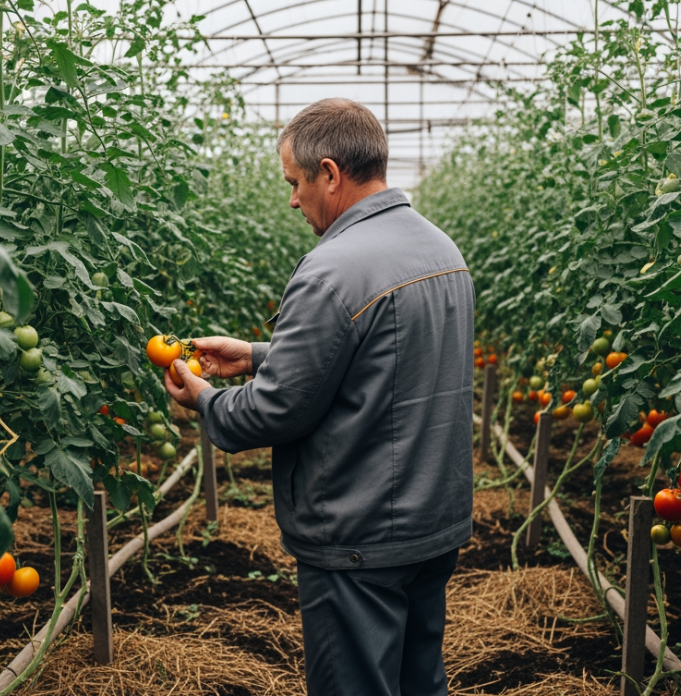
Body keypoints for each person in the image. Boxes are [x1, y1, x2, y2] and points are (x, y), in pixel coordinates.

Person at [163, 98, 475, 696]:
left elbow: (276, 409)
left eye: (295, 182)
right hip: (432, 523)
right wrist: (256, 355)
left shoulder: (331, 268)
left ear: (329, 174)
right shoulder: (443, 251)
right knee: (418, 685)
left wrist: (205, 400)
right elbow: (382, 362)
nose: (292, 199)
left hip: (360, 536)